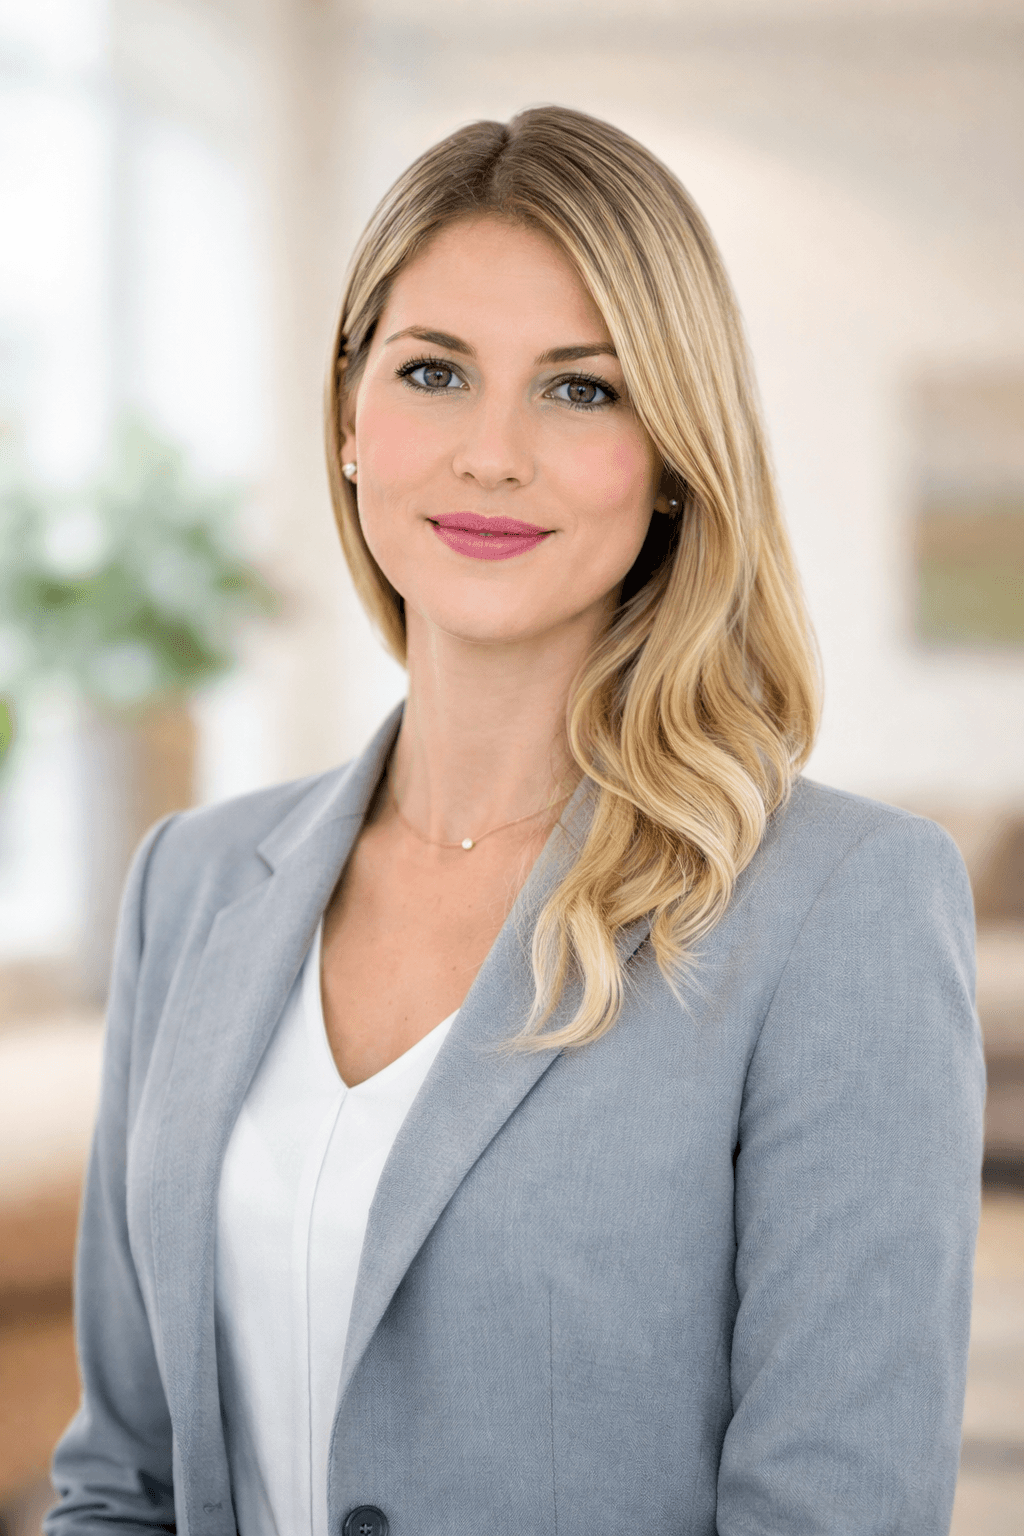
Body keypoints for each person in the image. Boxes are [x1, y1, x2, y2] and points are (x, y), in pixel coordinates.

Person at [47, 107, 983, 1536]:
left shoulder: (846, 907)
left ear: (674, 456)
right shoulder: (190, 884)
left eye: (581, 391)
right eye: (434, 373)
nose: (492, 454)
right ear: (351, 421)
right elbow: (123, 1471)